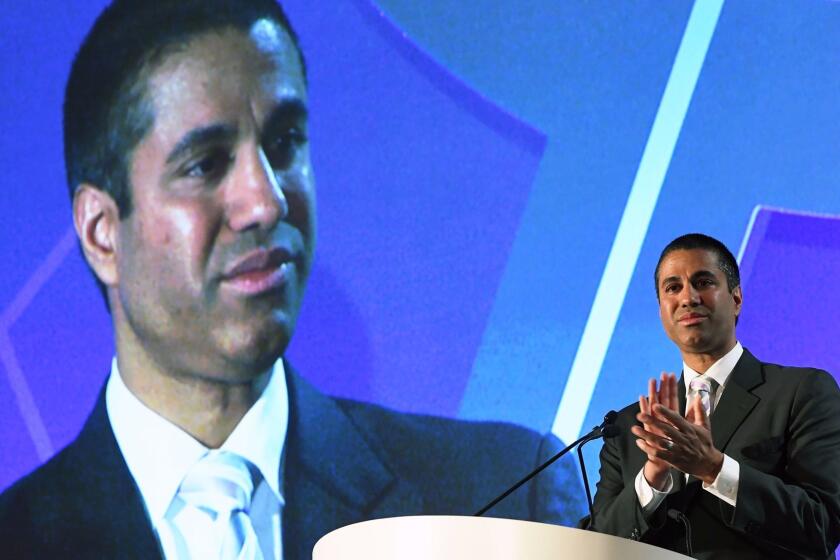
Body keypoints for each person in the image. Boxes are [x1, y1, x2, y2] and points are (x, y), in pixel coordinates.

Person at [0, 0, 584, 558]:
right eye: (205, 163)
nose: (267, 200)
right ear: (102, 232)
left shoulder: (503, 498)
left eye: (284, 145)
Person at [590, 233, 840, 559]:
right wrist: (651, 479)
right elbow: (596, 546)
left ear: (736, 299)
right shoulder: (629, 426)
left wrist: (714, 467)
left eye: (703, 282)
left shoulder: (801, 391)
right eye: (672, 287)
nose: (688, 297)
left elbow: (823, 526)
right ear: (662, 311)